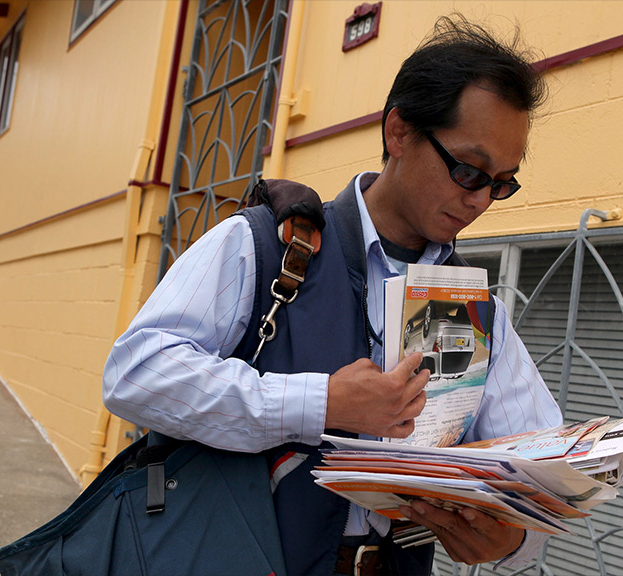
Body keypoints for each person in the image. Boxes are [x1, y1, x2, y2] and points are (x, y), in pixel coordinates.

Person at [103, 15, 562, 576]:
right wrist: (321, 403)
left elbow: (540, 474)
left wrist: (508, 542)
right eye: (469, 171)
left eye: (503, 183)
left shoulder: (471, 307)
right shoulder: (266, 245)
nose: (481, 200)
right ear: (399, 132)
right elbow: (135, 374)